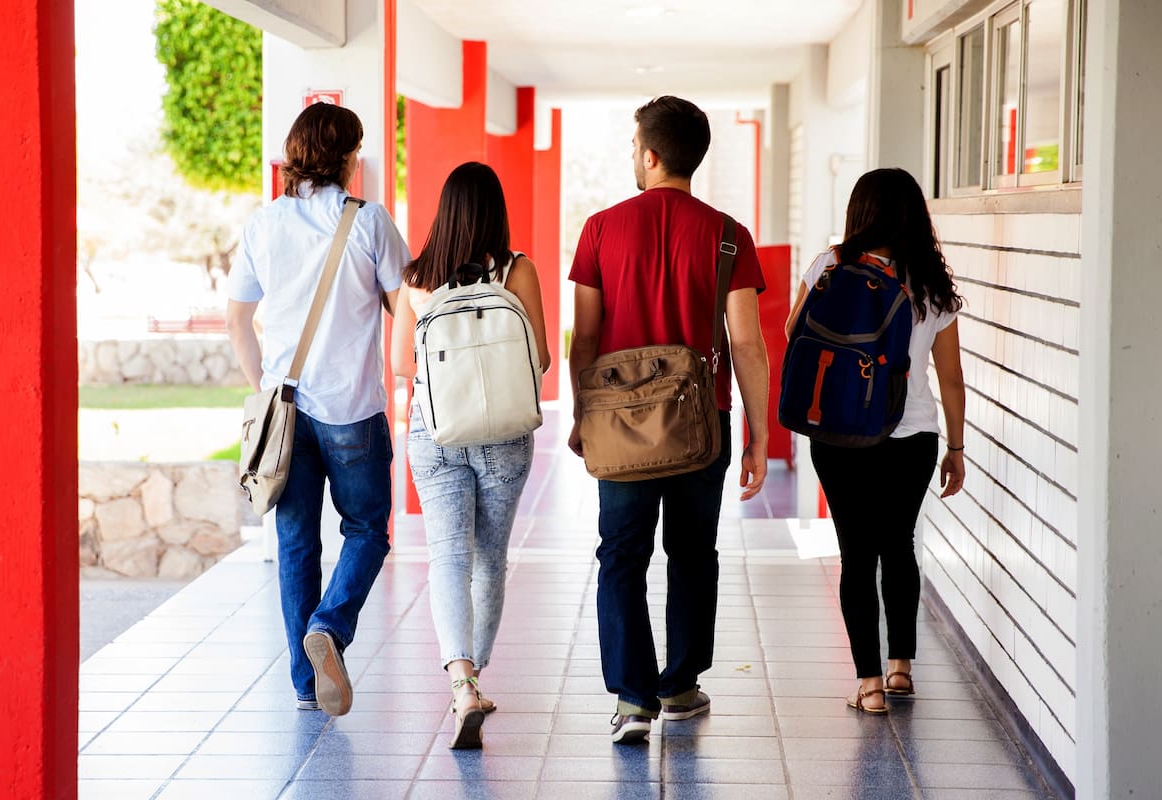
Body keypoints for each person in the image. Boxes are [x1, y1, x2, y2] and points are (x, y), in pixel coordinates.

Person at [567, 95, 772, 744]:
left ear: (651, 155)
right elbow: (746, 343)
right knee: (692, 554)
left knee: (621, 555)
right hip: (701, 422)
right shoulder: (729, 235)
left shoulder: (601, 228)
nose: (633, 156)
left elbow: (587, 337)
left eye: (634, 147)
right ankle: (679, 685)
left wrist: (580, 413)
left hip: (621, 424)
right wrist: (761, 434)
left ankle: (632, 699)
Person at [225, 103, 409, 717]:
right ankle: (329, 626)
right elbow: (401, 307)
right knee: (366, 531)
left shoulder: (264, 223)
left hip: (286, 411)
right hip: (352, 409)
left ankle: (306, 684)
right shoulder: (370, 221)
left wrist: (265, 388)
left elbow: (238, 320)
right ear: (348, 157)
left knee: (297, 541)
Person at [784, 167, 966, 714]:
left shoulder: (828, 266)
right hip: (912, 434)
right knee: (899, 545)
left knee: (856, 556)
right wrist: (956, 448)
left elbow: (795, 333)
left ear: (858, 211)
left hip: (840, 430)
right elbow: (951, 377)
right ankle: (901, 670)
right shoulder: (931, 282)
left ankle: (867, 685)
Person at [390, 161, 552, 749]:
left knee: (447, 557)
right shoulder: (518, 270)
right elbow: (540, 359)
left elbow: (402, 365)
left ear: (445, 210)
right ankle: (475, 677)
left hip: (435, 434)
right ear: (496, 211)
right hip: (505, 435)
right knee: (490, 557)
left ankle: (459, 684)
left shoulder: (415, 277)